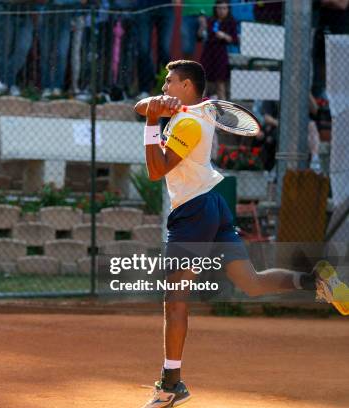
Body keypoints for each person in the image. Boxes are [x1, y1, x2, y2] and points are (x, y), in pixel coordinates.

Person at [134, 60, 348, 407]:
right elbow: (141, 104)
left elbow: (156, 171)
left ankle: (171, 384)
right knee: (251, 282)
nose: (165, 87)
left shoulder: (188, 122)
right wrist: (154, 106)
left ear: (187, 86)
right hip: (213, 205)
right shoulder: (196, 110)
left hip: (193, 212)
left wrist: (151, 120)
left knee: (174, 301)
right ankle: (316, 280)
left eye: (170, 82)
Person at [0, 0, 37, 96]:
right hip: (5, 9)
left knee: (23, 49)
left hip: (27, 12)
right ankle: (9, 84)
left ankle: (5, 81)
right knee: (5, 50)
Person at [200, 0, 238, 100]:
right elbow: (201, 36)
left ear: (228, 9)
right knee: (204, 81)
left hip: (221, 52)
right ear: (215, 9)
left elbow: (234, 40)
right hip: (208, 52)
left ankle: (223, 109)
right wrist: (202, 27)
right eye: (219, 8)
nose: (221, 11)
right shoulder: (210, 20)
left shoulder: (231, 22)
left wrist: (224, 35)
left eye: (224, 8)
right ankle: (199, 107)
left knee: (220, 82)